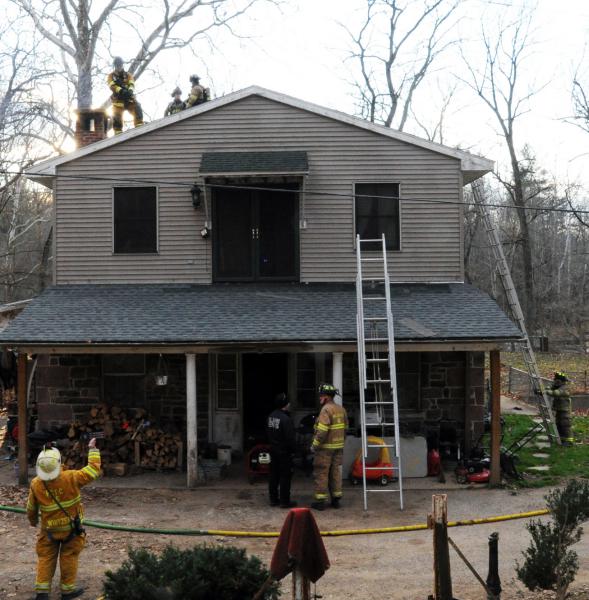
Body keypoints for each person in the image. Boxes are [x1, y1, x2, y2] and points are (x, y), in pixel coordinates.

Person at [26, 438, 101, 600]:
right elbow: (93, 470)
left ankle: (42, 593)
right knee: (69, 557)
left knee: (46, 557)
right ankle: (67, 591)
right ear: (58, 462)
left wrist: (33, 521)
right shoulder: (71, 477)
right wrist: (92, 449)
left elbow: (31, 509)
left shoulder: (36, 483)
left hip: (49, 531)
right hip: (71, 530)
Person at [310, 383, 348, 511]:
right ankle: (336, 500)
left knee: (321, 473)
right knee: (335, 473)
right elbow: (346, 428)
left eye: (321, 395)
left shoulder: (326, 410)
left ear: (326, 397)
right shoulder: (341, 409)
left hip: (325, 449)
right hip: (338, 448)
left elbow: (322, 431)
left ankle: (320, 502)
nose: (319, 397)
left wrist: (314, 445)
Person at [266, 392, 297, 508]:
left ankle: (273, 499)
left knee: (273, 475)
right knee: (285, 476)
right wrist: (295, 451)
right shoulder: (286, 419)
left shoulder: (270, 416)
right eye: (288, 403)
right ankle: (284, 501)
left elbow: (268, 433)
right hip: (284, 453)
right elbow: (290, 438)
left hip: (273, 451)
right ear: (286, 404)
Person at [107, 56, 144, 134]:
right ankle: (118, 132)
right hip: (118, 99)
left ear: (122, 65)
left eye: (120, 65)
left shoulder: (128, 75)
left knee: (137, 107)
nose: (119, 67)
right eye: (117, 65)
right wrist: (121, 91)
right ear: (115, 66)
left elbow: (131, 83)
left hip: (129, 98)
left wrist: (130, 91)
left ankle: (139, 126)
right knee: (116, 114)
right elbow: (112, 86)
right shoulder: (111, 76)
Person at [542, 371, 574, 446]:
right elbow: (550, 388)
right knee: (558, 424)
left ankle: (569, 441)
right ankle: (562, 439)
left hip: (565, 410)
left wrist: (545, 391)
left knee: (565, 425)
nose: (555, 382)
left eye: (557, 381)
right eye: (555, 380)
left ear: (561, 381)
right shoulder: (557, 386)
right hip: (559, 409)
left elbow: (556, 393)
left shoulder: (565, 388)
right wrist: (544, 390)